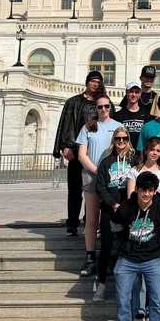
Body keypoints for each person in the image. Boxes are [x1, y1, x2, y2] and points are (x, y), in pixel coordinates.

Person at [110, 171, 160, 321]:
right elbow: (115, 227)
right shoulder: (125, 208)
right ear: (136, 190)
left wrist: (159, 249)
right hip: (127, 259)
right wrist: (124, 246)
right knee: (123, 299)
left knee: (157, 300)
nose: (146, 194)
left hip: (152, 259)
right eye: (143, 190)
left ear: (154, 191)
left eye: (150, 191)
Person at [53, 70, 107, 236]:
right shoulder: (73, 102)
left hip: (94, 153)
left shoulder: (103, 102)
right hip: (76, 152)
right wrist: (64, 146)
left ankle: (89, 222)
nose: (95, 84)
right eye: (92, 80)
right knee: (75, 190)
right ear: (87, 82)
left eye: (98, 81)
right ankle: (72, 223)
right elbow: (65, 124)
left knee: (92, 190)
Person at [76, 95, 122, 277]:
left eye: (106, 106)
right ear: (95, 108)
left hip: (113, 177)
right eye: (100, 107)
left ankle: (110, 255)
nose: (103, 110)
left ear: (110, 107)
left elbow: (123, 148)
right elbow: (81, 154)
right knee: (92, 219)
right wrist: (97, 171)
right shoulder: (88, 126)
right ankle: (89, 256)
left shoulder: (117, 126)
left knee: (110, 218)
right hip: (92, 175)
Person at [95, 127, 135, 301]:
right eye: (118, 139)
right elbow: (100, 186)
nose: (121, 142)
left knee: (128, 247)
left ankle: (127, 289)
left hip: (129, 209)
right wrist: (113, 204)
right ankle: (101, 283)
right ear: (113, 140)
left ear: (128, 140)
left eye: (124, 139)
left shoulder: (134, 160)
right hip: (109, 208)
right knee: (106, 246)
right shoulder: (106, 162)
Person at [127, 138, 160, 202]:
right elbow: (130, 196)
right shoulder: (134, 171)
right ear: (146, 151)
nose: (155, 153)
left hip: (157, 209)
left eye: (158, 151)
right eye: (152, 150)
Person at [114, 81, 149, 151]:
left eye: (136, 92)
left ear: (140, 94)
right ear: (126, 93)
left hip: (141, 154)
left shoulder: (146, 115)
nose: (134, 95)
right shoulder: (118, 115)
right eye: (131, 92)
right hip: (123, 153)